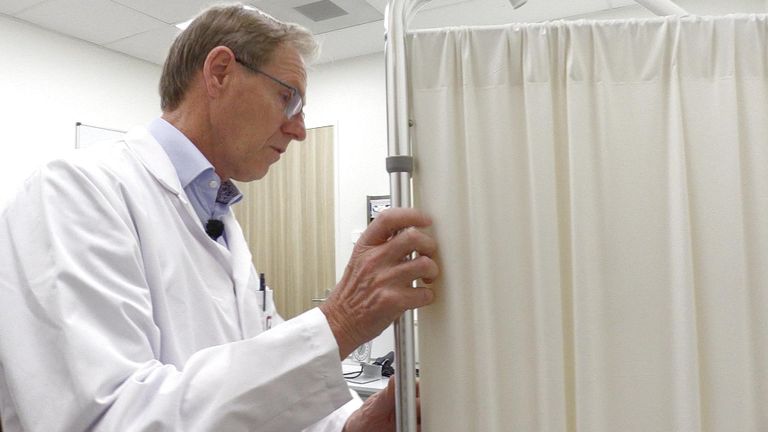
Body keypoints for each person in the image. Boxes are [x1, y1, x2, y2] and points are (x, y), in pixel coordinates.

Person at [0, 4, 438, 431]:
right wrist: (340, 322)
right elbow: (107, 418)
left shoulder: (220, 222)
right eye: (288, 99)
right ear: (221, 72)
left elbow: (256, 400)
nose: (299, 129)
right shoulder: (73, 192)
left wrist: (350, 425)